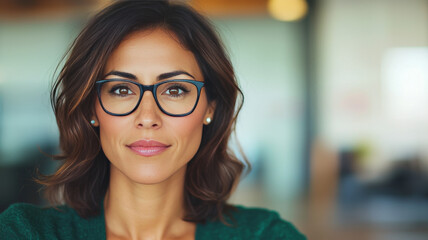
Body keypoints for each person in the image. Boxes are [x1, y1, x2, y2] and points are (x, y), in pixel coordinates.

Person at [0, 0, 306, 239]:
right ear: (92, 109)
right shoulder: (27, 232)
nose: (148, 117)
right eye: (121, 89)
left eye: (175, 89)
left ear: (210, 107)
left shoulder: (265, 235)